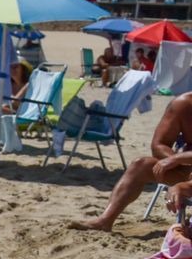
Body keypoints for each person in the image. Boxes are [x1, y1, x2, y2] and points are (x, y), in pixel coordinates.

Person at [69, 92, 192, 232]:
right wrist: (175, 161)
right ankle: (105, 220)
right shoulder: (184, 104)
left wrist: (177, 158)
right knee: (140, 165)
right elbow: (159, 144)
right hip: (186, 169)